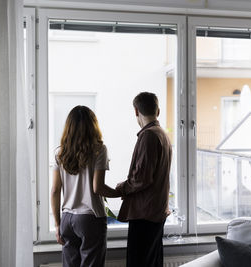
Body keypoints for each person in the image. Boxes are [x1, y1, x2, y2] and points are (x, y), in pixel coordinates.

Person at [51, 105, 120, 267]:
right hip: (90, 218)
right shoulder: (99, 150)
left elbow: (54, 190)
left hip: (67, 219)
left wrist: (57, 224)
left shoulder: (59, 153)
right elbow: (98, 188)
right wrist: (120, 192)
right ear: (92, 126)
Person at [115, 92, 172, 267]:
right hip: (156, 211)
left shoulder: (149, 136)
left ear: (136, 111)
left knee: (138, 263)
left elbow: (142, 178)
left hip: (145, 213)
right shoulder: (163, 134)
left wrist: (121, 188)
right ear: (158, 111)